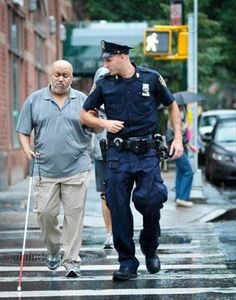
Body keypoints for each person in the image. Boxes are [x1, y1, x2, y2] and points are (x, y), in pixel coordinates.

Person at [80, 40, 183, 281]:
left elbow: (172, 105)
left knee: (151, 200)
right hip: (117, 154)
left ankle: (150, 244)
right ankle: (127, 262)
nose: (104, 64)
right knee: (118, 207)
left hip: (147, 152)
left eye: (108, 60)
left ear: (122, 57)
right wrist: (103, 123)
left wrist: (177, 138)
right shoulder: (104, 83)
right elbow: (84, 113)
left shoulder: (151, 78)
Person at [16, 60, 92, 278]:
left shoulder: (83, 101)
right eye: (57, 74)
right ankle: (53, 250)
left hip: (77, 167)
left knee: (74, 216)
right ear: (50, 75)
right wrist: (27, 148)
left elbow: (95, 126)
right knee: (46, 215)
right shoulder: (35, 100)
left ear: (71, 77)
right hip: (44, 169)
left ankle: (72, 261)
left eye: (66, 75)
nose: (61, 79)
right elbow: (23, 131)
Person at [91, 67, 113, 249]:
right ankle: (109, 234)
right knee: (105, 196)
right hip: (101, 155)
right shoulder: (91, 105)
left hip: (121, 154)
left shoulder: (121, 100)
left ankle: (121, 232)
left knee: (121, 195)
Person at [166, 105, 198, 207]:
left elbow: (182, 137)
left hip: (181, 148)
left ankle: (179, 197)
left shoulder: (179, 116)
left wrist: (190, 145)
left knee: (180, 172)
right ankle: (183, 198)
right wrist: (184, 127)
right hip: (178, 149)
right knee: (188, 172)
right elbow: (175, 135)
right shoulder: (174, 117)